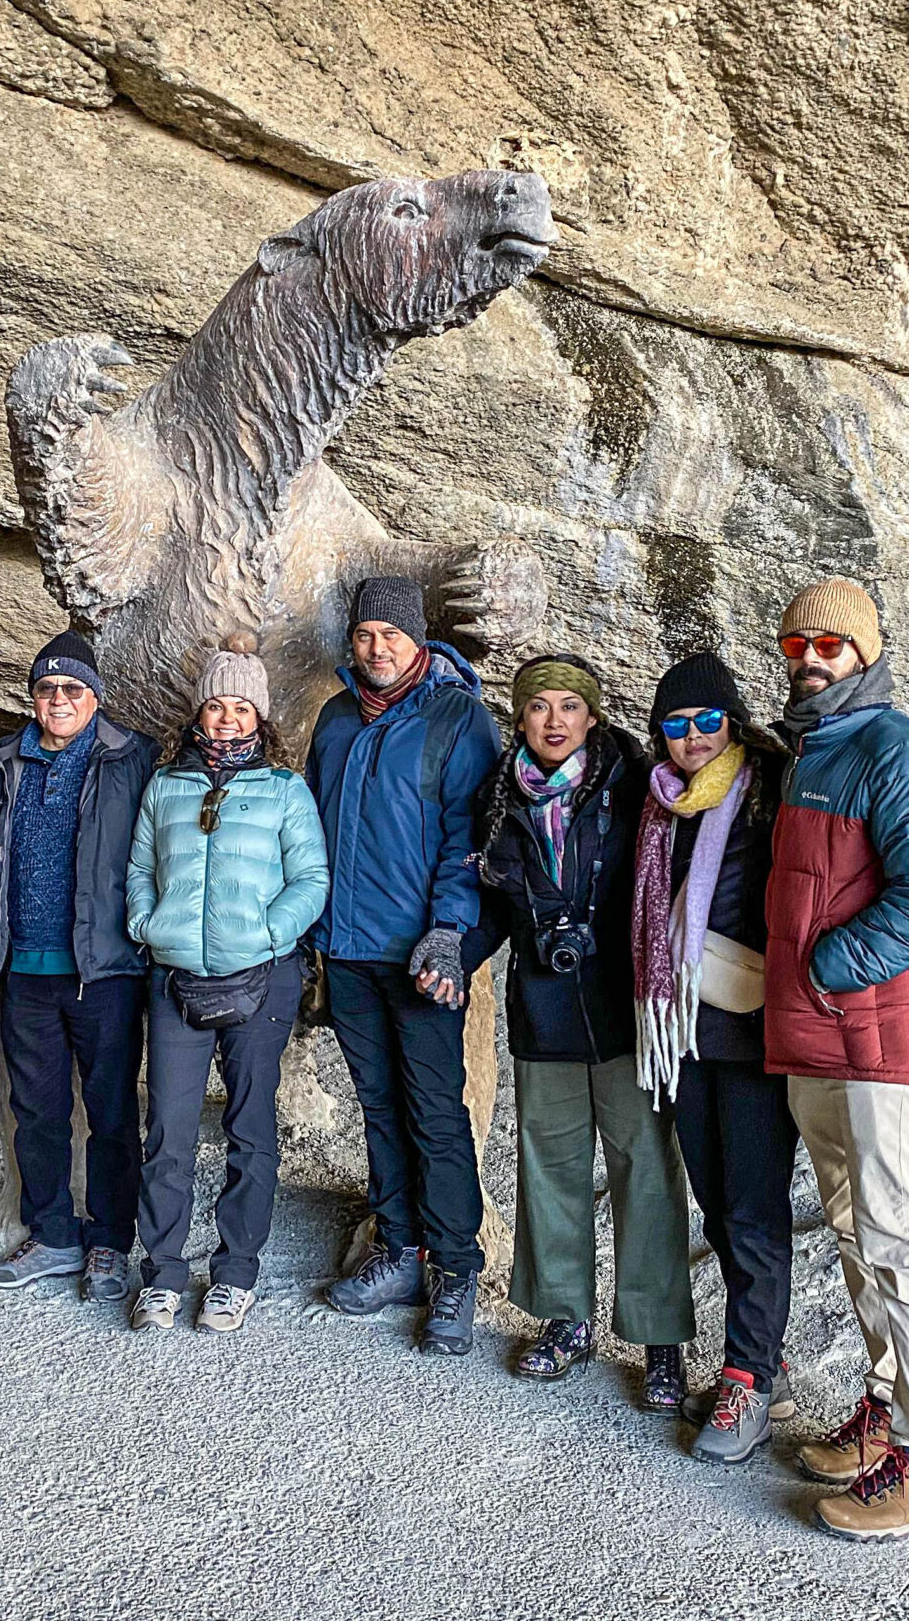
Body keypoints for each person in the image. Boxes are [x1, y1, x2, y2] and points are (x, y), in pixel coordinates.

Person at [763, 579, 909, 1540]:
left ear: (866, 653)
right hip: (819, 1032)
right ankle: (886, 1418)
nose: (811, 657)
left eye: (832, 644)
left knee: (899, 1233)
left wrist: (831, 965)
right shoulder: (810, 750)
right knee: (854, 1231)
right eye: (798, 641)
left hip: (877, 1036)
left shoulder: (900, 752)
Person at [467, 656, 693, 1389]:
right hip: (543, 1009)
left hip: (629, 1013)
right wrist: (450, 954)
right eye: (540, 707)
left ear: (593, 717)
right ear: (520, 718)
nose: (555, 721)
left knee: (647, 1171)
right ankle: (566, 1317)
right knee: (550, 1167)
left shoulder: (634, 787)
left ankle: (659, 1336)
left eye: (570, 706)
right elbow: (495, 909)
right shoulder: (501, 799)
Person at [308, 575, 502, 1355]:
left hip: (423, 956)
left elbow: (472, 839)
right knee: (379, 1106)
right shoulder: (334, 720)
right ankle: (399, 1247)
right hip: (349, 949)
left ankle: (456, 1268)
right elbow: (315, 831)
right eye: (365, 635)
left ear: (417, 639)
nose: (377, 647)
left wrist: (450, 933)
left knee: (435, 1112)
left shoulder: (458, 718)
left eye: (391, 634)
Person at [125, 640, 329, 1332]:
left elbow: (311, 879)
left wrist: (271, 938)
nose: (226, 718)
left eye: (241, 707)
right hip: (176, 972)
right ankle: (161, 1273)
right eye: (216, 705)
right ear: (199, 713)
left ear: (259, 717)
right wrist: (149, 925)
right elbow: (139, 868)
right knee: (168, 1131)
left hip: (261, 977)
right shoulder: (166, 786)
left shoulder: (283, 789)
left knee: (249, 1129)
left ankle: (236, 1273)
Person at [0, 633, 158, 1302]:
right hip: (23, 973)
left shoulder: (130, 759)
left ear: (95, 698)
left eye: (73, 689)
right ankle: (52, 1232)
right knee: (36, 1110)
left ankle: (108, 1242)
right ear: (33, 698)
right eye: (48, 689)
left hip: (103, 971)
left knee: (109, 1111)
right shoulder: (1, 765)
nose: (60, 700)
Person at [632, 651, 796, 1464]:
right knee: (718, 1204)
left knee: (755, 1208)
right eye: (675, 724)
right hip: (682, 1034)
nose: (692, 737)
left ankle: (747, 1379)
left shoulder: (768, 787)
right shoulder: (661, 801)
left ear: (731, 722)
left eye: (706, 721)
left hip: (757, 1028)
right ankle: (758, 1357)